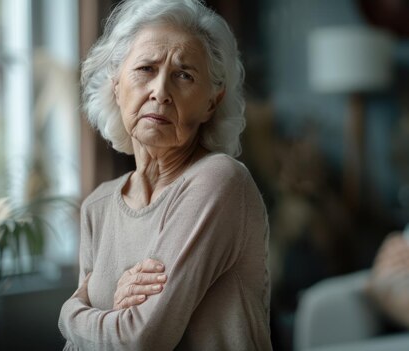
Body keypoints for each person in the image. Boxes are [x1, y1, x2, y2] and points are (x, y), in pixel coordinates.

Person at [58, 0, 271, 349]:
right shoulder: (97, 207)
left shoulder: (219, 180)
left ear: (211, 103)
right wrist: (110, 309)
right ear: (116, 84)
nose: (160, 91)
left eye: (184, 75)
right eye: (145, 68)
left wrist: (69, 314)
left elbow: (141, 338)